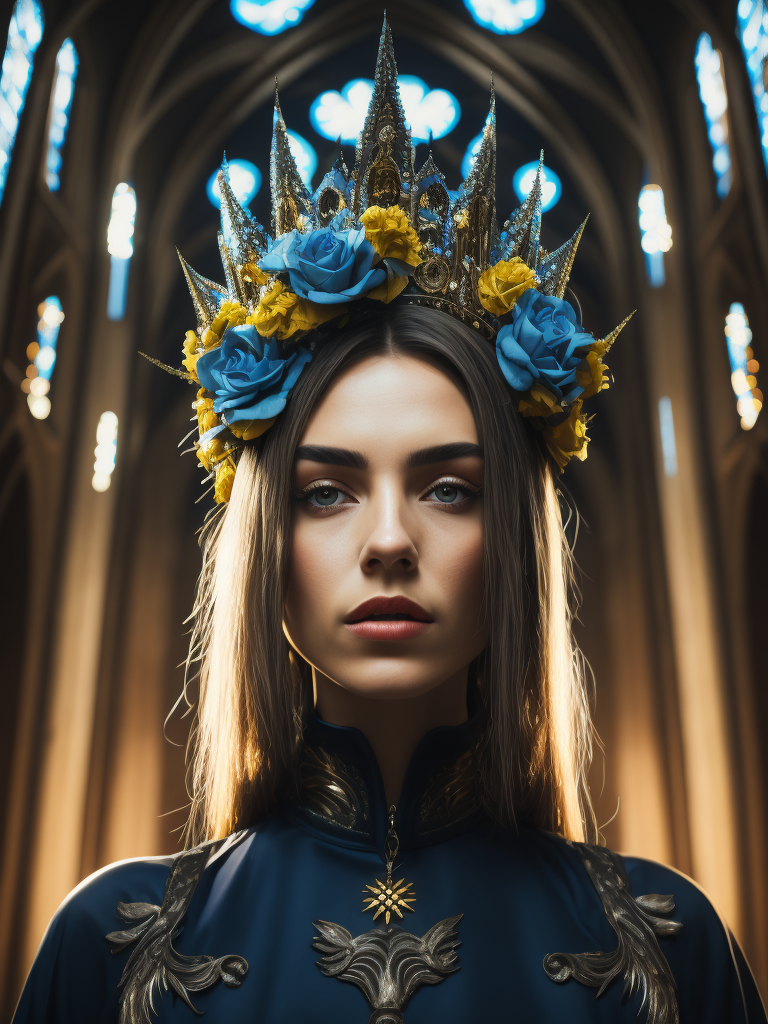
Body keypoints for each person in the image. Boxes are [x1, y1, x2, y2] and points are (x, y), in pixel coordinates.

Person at [13, 18, 766, 1024]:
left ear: (514, 538)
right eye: (327, 490)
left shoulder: (671, 951)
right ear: (264, 545)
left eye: (448, 486)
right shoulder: (106, 951)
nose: (388, 540)